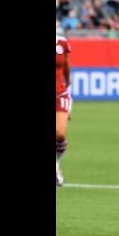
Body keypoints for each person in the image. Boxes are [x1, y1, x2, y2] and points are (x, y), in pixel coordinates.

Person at [56, 32, 72, 186]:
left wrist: (68, 83)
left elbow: (66, 65)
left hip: (59, 93)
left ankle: (56, 165)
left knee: (60, 133)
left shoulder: (62, 42)